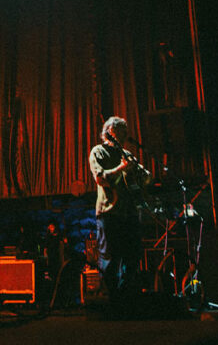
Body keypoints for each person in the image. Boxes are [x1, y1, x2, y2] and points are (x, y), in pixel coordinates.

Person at [88, 116, 152, 304]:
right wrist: (121, 168)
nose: (124, 135)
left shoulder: (127, 154)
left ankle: (127, 299)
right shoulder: (98, 151)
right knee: (110, 259)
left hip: (129, 213)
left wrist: (143, 175)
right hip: (109, 213)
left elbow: (146, 178)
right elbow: (101, 178)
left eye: (125, 131)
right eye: (120, 131)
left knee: (131, 258)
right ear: (109, 132)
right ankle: (111, 301)